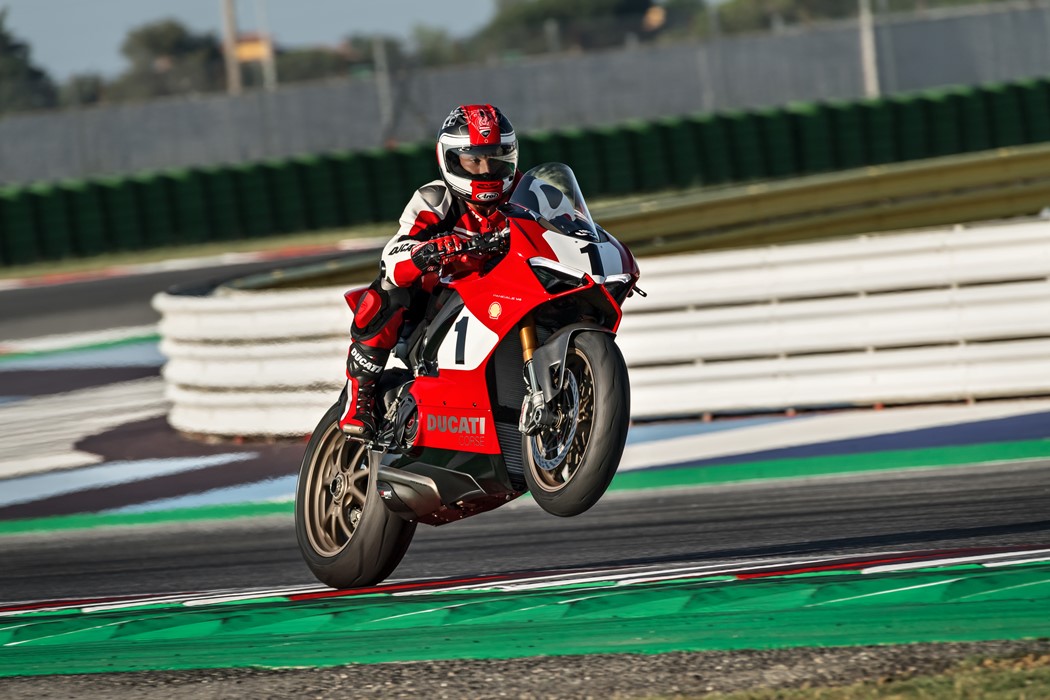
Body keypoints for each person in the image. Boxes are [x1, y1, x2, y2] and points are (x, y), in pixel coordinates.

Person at [338, 104, 522, 439]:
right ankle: (360, 394)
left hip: (509, 296)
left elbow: (569, 226)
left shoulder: (528, 193)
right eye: (473, 159)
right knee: (388, 290)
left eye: (494, 157)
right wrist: (426, 252)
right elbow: (392, 258)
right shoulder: (435, 200)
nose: (485, 169)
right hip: (437, 309)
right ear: (451, 160)